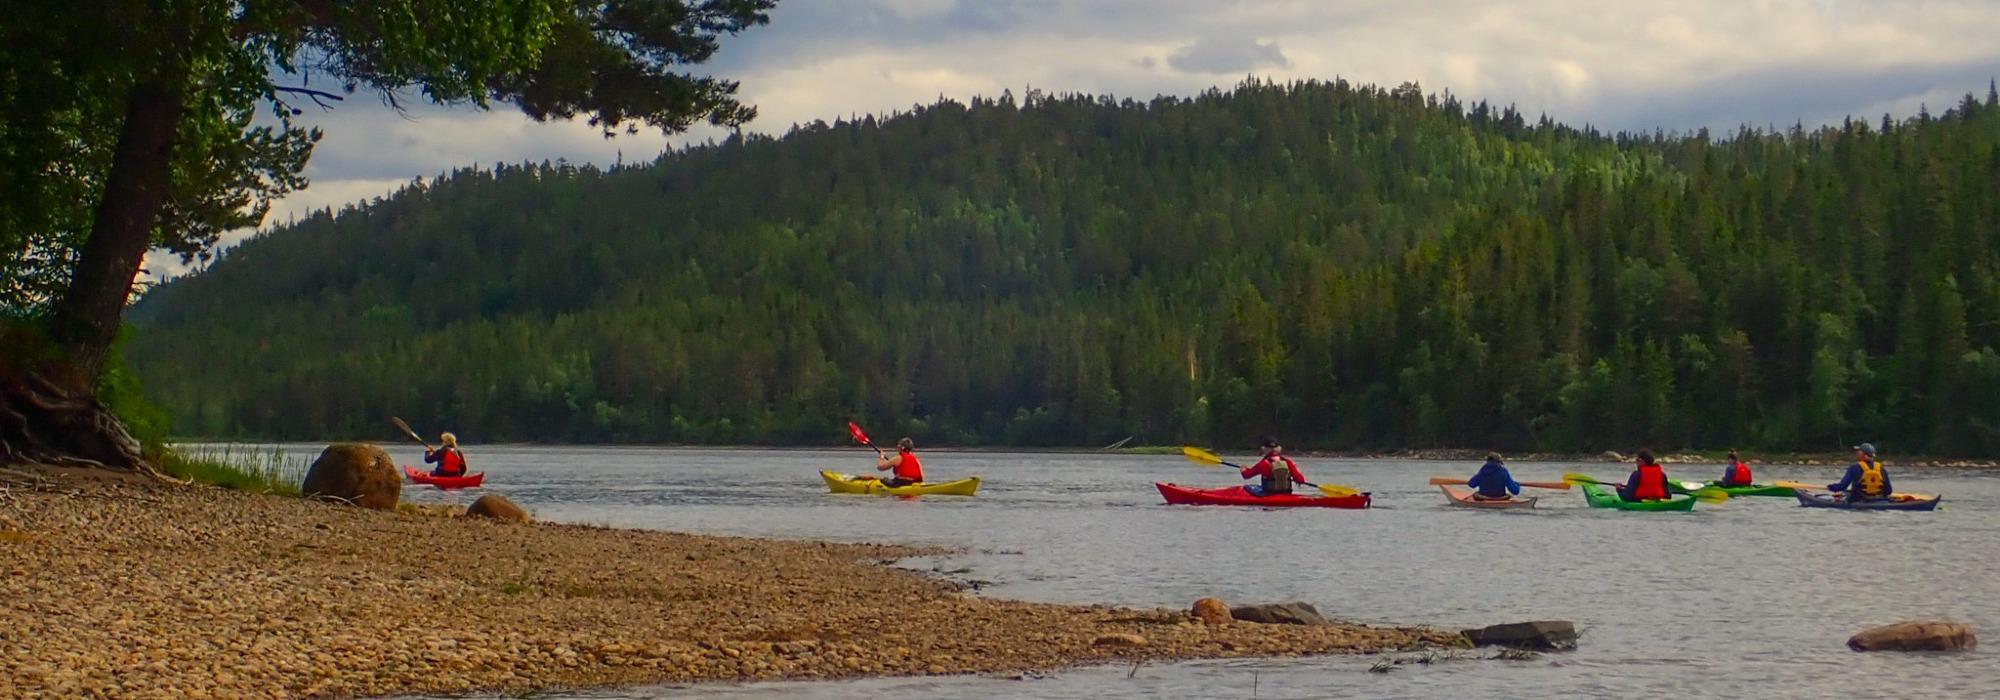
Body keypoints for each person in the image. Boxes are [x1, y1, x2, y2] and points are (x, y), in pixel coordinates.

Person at [1239, 437, 1306, 496]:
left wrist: (1243, 469)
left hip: (1268, 494)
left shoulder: (1264, 463)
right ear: (1279, 448)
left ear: (1264, 449)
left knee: (1247, 488)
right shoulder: (1287, 462)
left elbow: (1246, 475)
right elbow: (1301, 480)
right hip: (1286, 493)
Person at [1828, 443, 1893, 502]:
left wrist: (1830, 487)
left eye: (1859, 452)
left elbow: (1842, 486)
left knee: (1844, 493)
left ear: (1863, 455)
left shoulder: (1854, 467)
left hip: (1858, 500)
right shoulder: (1881, 468)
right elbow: (1888, 491)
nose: (1857, 453)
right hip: (1879, 500)